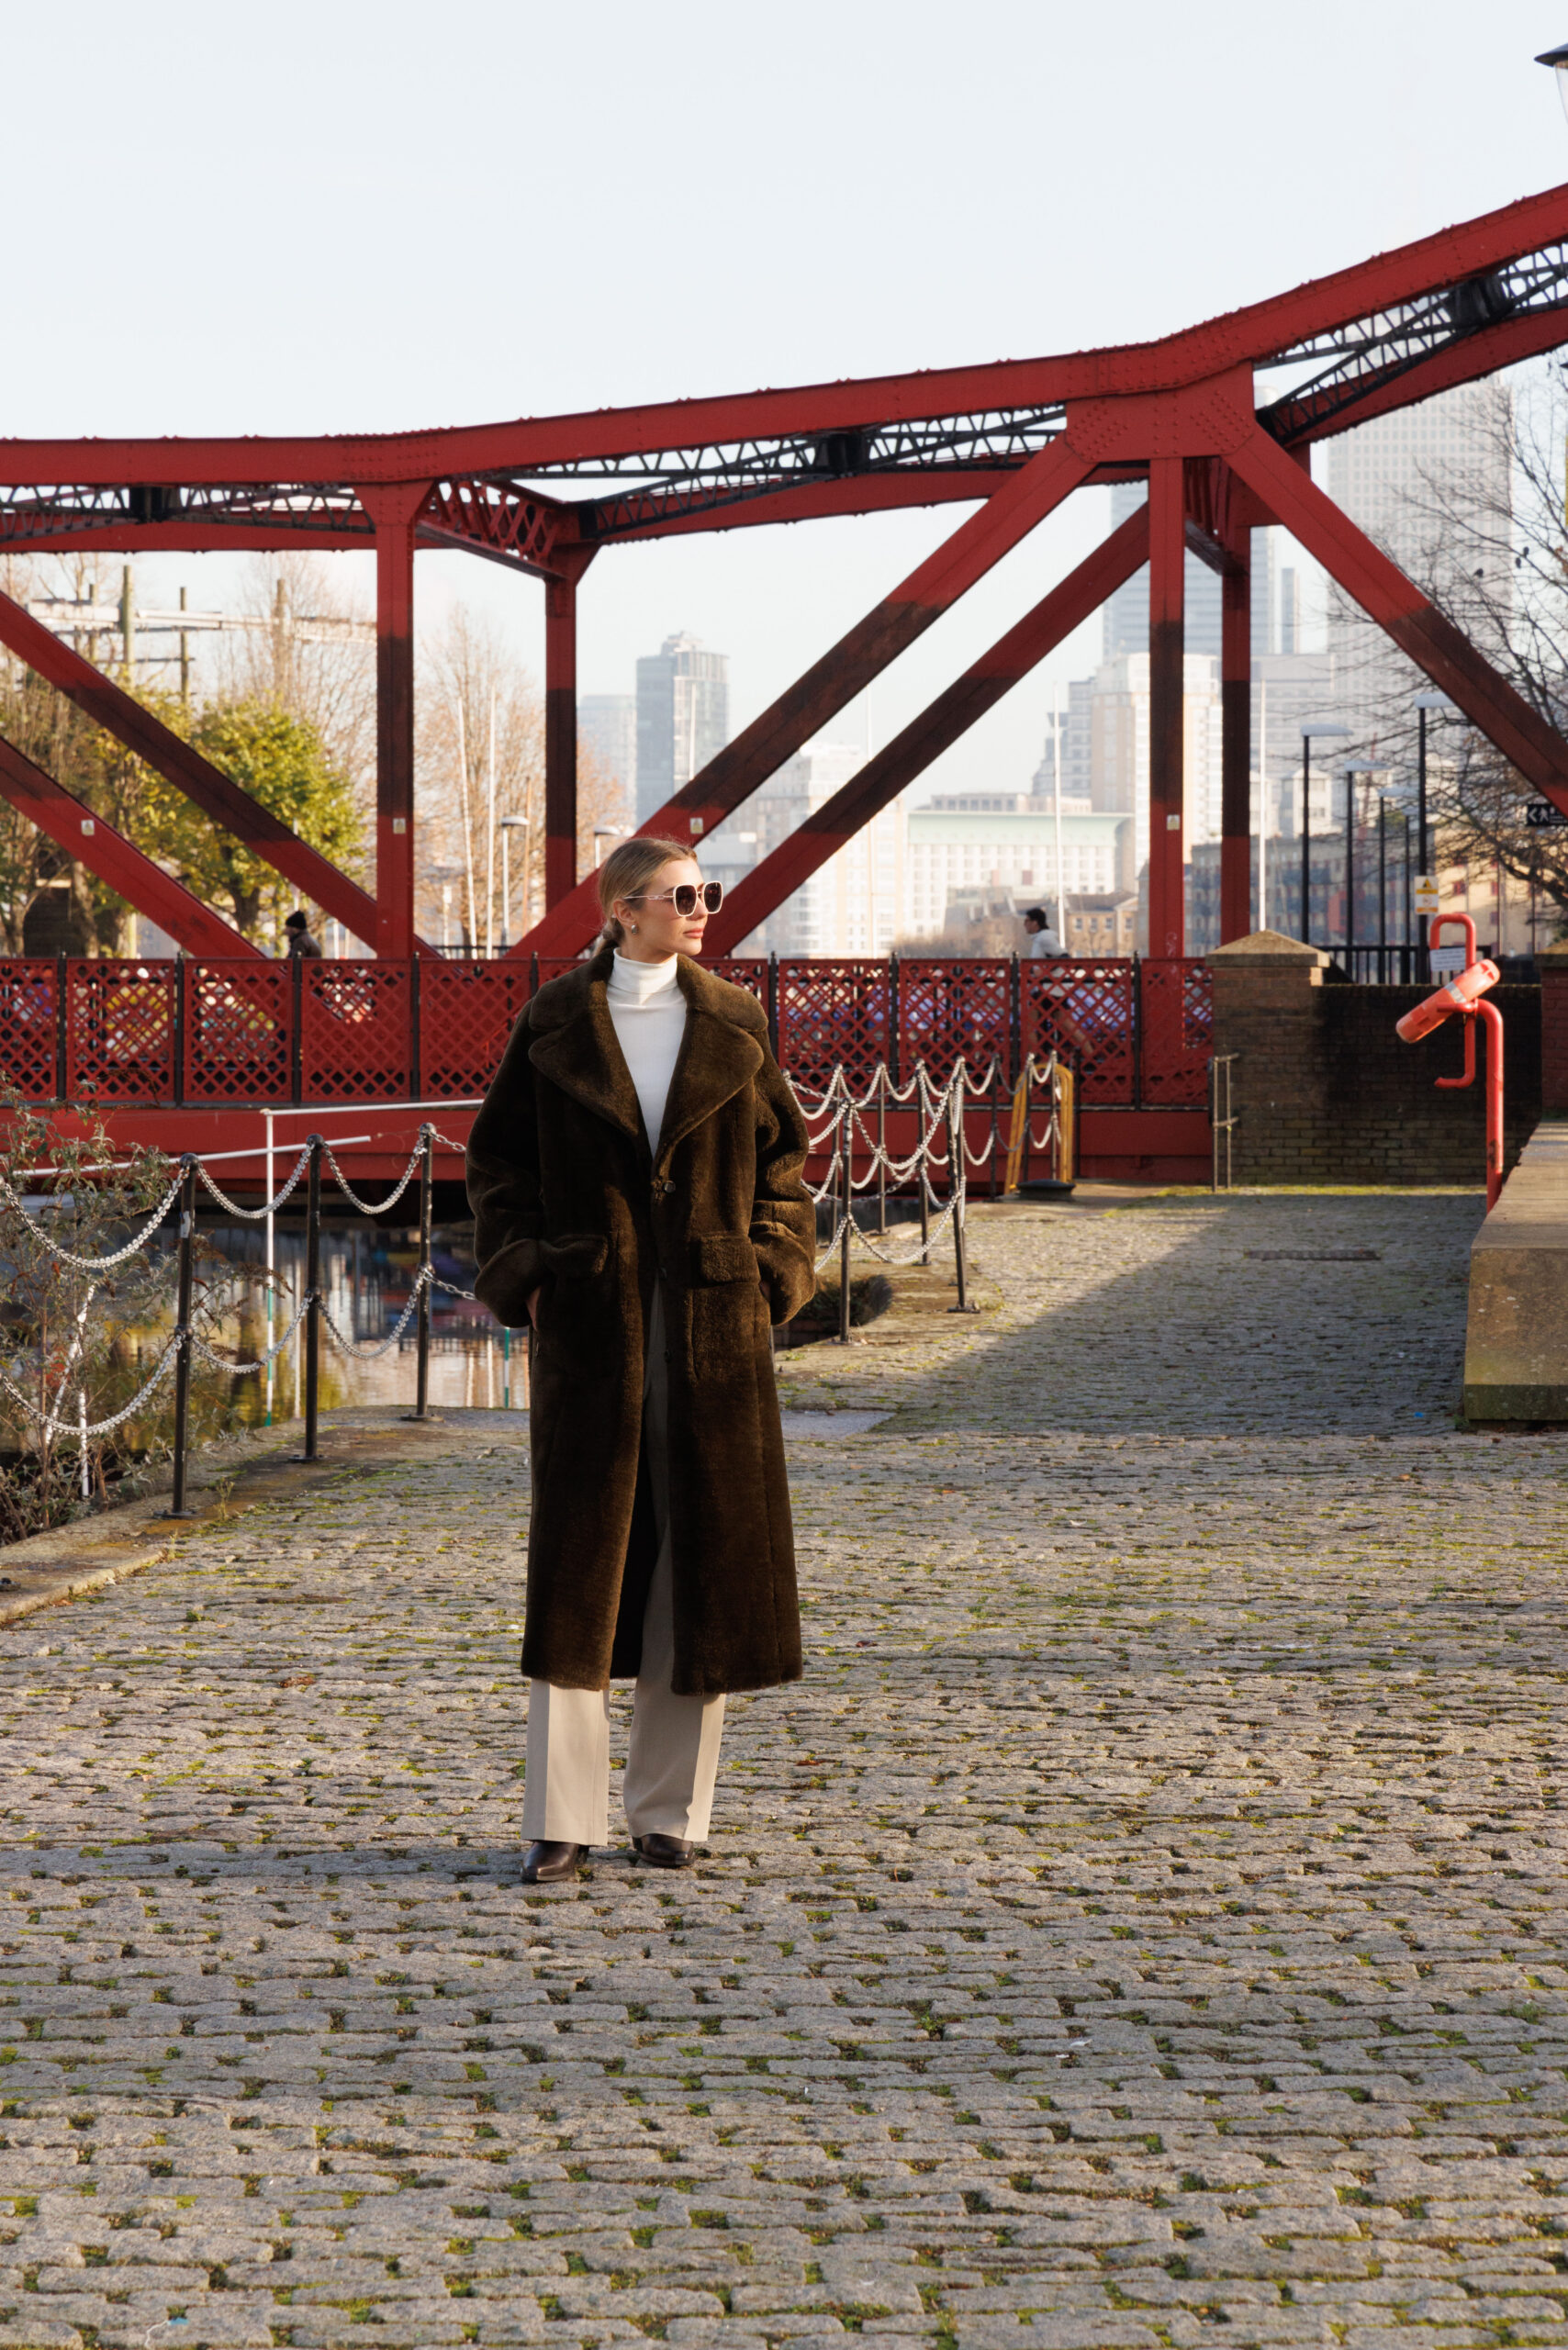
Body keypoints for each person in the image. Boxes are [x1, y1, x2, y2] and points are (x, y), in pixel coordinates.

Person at [465, 836, 817, 1885]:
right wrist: (531, 1274)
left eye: (708, 892)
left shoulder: (735, 1022)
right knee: (579, 1565)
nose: (703, 907)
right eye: (682, 894)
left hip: (712, 1323)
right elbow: (496, 1165)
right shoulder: (554, 1023)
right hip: (593, 1321)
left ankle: (672, 1813)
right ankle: (560, 1819)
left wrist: (770, 1271)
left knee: (695, 1560)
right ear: (623, 909)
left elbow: (784, 1167)